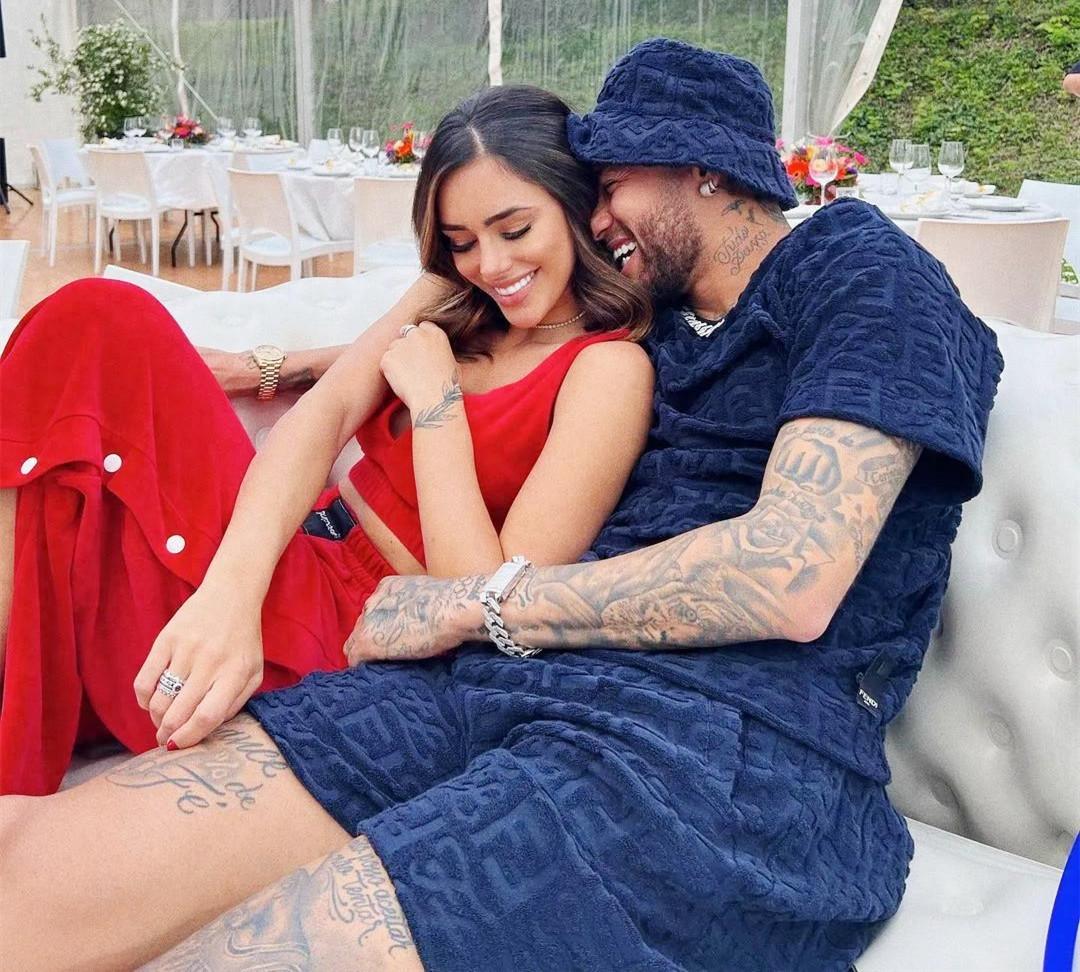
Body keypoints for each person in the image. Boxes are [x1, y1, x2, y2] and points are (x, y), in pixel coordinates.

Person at [0, 39, 1004, 972]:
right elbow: (498, 336)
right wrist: (304, 360)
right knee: (39, 880)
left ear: (703, 167)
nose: (594, 216)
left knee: (257, 954)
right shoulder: (655, 315)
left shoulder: (862, 272)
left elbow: (790, 574)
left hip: (717, 748)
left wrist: (469, 604)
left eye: (610, 184)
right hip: (491, 684)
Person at [0, 85, 654, 796]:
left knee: (97, 333)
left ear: (575, 206)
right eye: (462, 241)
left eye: (515, 230)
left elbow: (485, 604)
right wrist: (229, 598)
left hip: (354, 622)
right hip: (281, 546)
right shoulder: (451, 297)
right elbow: (323, 416)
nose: (490, 266)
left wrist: (436, 404)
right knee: (96, 321)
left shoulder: (609, 371)